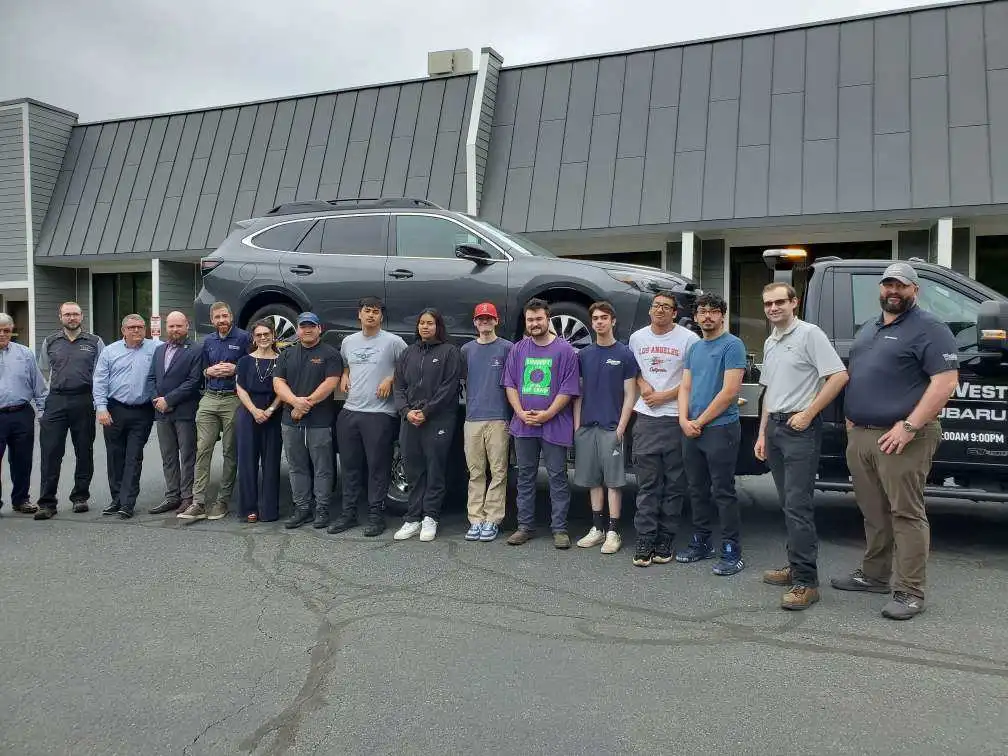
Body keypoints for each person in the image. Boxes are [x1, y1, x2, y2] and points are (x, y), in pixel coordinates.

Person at [831, 262, 958, 620]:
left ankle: (909, 591)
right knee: (873, 511)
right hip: (862, 435)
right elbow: (858, 375)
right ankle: (874, 575)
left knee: (906, 513)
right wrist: (850, 419)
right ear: (880, 289)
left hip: (904, 438)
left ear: (915, 290)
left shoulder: (930, 328)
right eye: (888, 285)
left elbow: (945, 382)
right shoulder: (869, 328)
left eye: (901, 286)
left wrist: (909, 426)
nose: (893, 291)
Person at [754, 283, 848, 610]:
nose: (774, 308)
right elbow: (769, 392)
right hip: (777, 428)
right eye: (768, 303)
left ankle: (806, 582)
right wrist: (762, 433)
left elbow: (838, 376)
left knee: (798, 505)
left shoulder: (810, 334)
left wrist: (809, 413)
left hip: (799, 429)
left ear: (794, 303)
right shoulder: (770, 341)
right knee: (787, 503)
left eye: (780, 301)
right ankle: (795, 565)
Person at [676, 293, 748, 576]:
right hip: (691, 428)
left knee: (723, 491)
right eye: (702, 312)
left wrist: (700, 421)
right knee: (696, 489)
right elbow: (685, 387)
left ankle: (732, 549)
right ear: (695, 317)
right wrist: (683, 419)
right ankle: (702, 542)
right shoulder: (695, 348)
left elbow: (730, 392)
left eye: (713, 311)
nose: (707, 316)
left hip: (720, 429)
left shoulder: (733, 345)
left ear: (722, 315)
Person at [625, 291, 698, 566]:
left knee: (674, 485)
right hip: (645, 419)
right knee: (647, 485)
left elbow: (694, 378)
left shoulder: (689, 340)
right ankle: (645, 538)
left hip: (674, 418)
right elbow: (633, 370)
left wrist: (665, 396)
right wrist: (644, 387)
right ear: (650, 310)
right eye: (656, 306)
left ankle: (665, 538)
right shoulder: (637, 338)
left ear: (675, 313)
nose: (660, 310)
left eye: (666, 307)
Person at [502, 298, 580, 549]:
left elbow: (568, 389)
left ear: (548, 319)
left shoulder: (565, 350)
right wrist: (520, 412)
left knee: (557, 476)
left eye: (539, 319)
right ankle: (525, 526)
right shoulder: (518, 349)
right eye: (530, 320)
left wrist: (547, 414)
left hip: (555, 424)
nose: (534, 323)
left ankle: (559, 529)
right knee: (525, 476)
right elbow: (510, 384)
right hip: (523, 424)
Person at [328, 297, 407, 537]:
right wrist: (344, 373)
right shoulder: (349, 342)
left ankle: (376, 516)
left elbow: (410, 366)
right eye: (367, 311)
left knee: (377, 468)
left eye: (376, 312)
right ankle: (349, 514)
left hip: (380, 414)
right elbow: (345, 364)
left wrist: (391, 378)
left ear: (381, 317)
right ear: (359, 315)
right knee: (350, 467)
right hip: (350, 412)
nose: (371, 315)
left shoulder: (394, 342)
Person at [392, 308, 462, 543]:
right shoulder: (408, 353)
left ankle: (430, 516)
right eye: (421, 323)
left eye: (430, 323)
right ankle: (412, 518)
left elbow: (449, 387)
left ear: (438, 326)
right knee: (413, 469)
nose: (425, 327)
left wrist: (426, 411)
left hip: (438, 419)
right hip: (410, 419)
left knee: (435, 469)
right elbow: (399, 386)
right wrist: (406, 411)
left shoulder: (449, 352)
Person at [573, 301, 637, 556]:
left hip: (613, 427)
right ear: (592, 323)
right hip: (588, 427)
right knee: (593, 481)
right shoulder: (584, 355)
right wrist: (578, 426)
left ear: (613, 321)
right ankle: (597, 528)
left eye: (604, 318)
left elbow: (630, 394)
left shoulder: (624, 354)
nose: (599, 322)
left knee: (613, 482)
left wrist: (621, 427)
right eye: (596, 318)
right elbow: (577, 393)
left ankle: (613, 531)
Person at [180, 301, 249, 522]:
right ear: (212, 320)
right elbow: (199, 371)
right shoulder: (207, 341)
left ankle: (222, 501)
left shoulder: (244, 338)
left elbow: (255, 364)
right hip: (210, 398)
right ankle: (198, 502)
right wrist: (208, 370)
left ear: (231, 316)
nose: (221, 321)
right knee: (203, 449)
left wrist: (236, 368)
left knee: (230, 451)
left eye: (224, 316)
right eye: (217, 318)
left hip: (233, 399)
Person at [273, 312, 342, 529]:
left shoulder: (330, 354)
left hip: (320, 422)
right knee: (296, 467)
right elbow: (278, 383)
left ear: (319, 328)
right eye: (303, 326)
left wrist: (305, 405)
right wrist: (294, 402)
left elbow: (331, 383)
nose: (307, 329)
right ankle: (302, 509)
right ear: (298, 330)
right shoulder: (286, 354)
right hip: (290, 421)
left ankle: (321, 509)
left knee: (323, 468)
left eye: (311, 326)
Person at [35, 301, 104, 518]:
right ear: (60, 317)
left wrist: (99, 402)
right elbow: (44, 374)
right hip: (56, 401)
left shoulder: (94, 341)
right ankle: (47, 502)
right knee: (50, 452)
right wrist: (42, 405)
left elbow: (101, 374)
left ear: (82, 316)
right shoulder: (50, 341)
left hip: (83, 400)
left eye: (75, 314)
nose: (71, 318)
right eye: (67, 314)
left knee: (84, 451)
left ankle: (80, 497)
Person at [93, 314, 160, 519]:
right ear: (123, 330)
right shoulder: (109, 351)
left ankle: (127, 502)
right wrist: (101, 408)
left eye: (140, 327)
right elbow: (100, 381)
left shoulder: (156, 348)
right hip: (115, 410)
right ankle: (116, 499)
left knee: (133, 456)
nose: (137, 331)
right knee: (115, 456)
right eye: (132, 327)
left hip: (142, 410)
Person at [460, 302, 512, 543]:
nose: (484, 322)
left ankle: (493, 519)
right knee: (476, 472)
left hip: (499, 418)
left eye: (488, 318)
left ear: (496, 321)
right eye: (480, 319)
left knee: (499, 472)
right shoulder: (466, 350)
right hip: (473, 418)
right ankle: (476, 519)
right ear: (475, 322)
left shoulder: (507, 348)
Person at [147, 311, 203, 516]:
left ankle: (187, 496)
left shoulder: (197, 349)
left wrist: (169, 400)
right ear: (165, 328)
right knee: (168, 456)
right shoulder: (159, 350)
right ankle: (172, 495)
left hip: (185, 412)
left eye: (178, 326)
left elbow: (194, 380)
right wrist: (157, 401)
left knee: (187, 455)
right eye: (171, 326)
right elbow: (152, 378)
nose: (174, 330)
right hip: (161, 412)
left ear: (187, 326)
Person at [235, 319, 283, 523]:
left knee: (271, 463)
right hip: (248, 413)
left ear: (273, 336)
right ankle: (249, 509)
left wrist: (270, 409)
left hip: (274, 413)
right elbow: (240, 388)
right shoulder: (245, 361)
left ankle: (269, 510)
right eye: (259, 335)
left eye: (266, 334)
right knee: (247, 462)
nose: (263, 338)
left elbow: (284, 389)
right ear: (254, 338)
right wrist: (255, 410)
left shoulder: (282, 360)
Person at [0, 313, 47, 516]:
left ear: (12, 331)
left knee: (22, 460)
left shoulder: (25, 353)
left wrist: (43, 411)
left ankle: (21, 499)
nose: (2, 334)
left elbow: (38, 385)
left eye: (6, 330)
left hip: (21, 413)